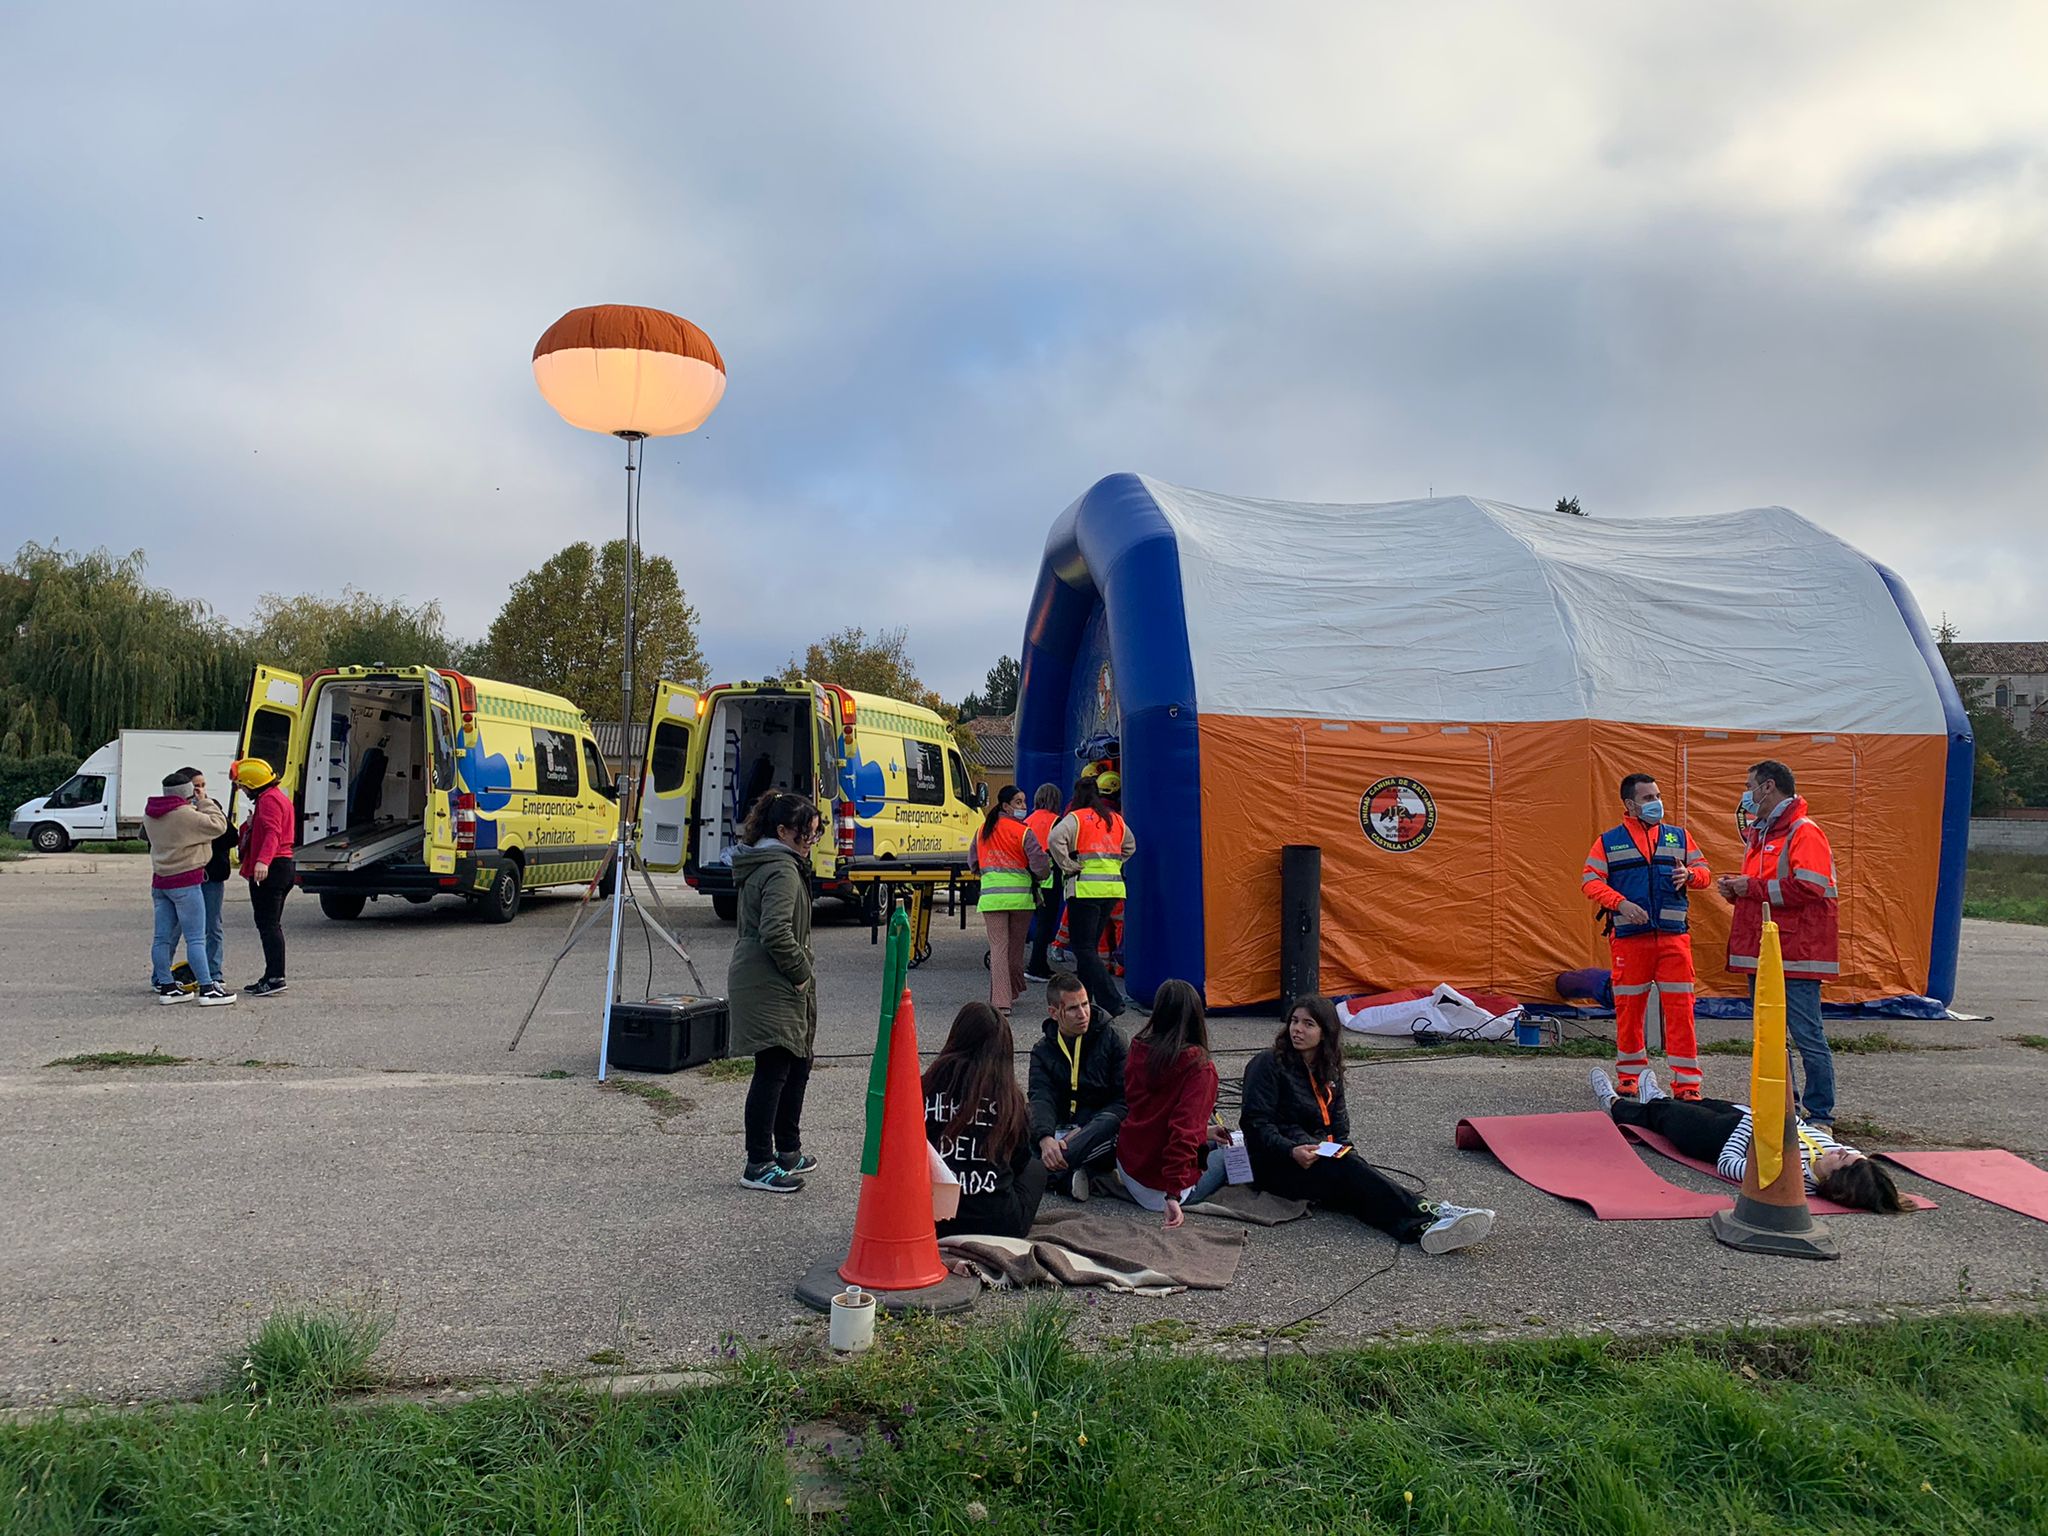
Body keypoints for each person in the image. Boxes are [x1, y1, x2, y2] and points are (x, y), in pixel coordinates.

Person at [1242, 996, 1496, 1253]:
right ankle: (1432, 1210)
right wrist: (1290, 1150)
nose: (1297, 1029)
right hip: (1276, 1162)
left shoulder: (1328, 1068)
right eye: (1294, 1021)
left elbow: (1339, 1126)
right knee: (1353, 1176)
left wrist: (1345, 1155)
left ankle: (1422, 1230)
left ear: (1325, 1033)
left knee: (1357, 1188)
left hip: (1317, 1155)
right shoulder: (1268, 1064)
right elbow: (1255, 1125)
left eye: (1308, 1024)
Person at [1589, 1066, 1908, 1211]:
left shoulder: (1792, 1178)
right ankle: (1656, 1098)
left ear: (1833, 1180)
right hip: (1748, 1120)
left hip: (1720, 1139)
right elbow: (1800, 1127)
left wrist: (1752, 1123)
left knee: (1667, 1119)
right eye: (1850, 1153)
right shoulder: (1830, 1153)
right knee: (1701, 1104)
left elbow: (1729, 1166)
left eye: (1842, 1158)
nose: (1841, 1149)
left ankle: (1617, 1106)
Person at [1716, 760, 1840, 1129]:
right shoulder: (1764, 834)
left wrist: (1748, 888)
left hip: (1797, 953)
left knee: (1806, 1036)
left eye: (1748, 785)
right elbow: (1767, 891)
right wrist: (1738, 891)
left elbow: (1810, 887)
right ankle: (1787, 1107)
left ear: (1768, 787)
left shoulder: (1803, 832)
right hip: (1766, 949)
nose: (1746, 794)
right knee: (1769, 1036)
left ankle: (1820, 1114)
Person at [1580, 772, 1711, 1099]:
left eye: (1657, 796)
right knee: (1629, 1009)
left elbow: (1706, 875)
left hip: (1673, 938)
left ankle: (1687, 1084)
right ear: (1630, 804)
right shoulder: (1608, 842)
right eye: (1648, 798)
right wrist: (1620, 904)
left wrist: (1690, 874)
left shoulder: (1680, 837)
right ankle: (1630, 1078)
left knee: (1681, 1010)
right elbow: (1590, 881)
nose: (1656, 803)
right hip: (1629, 939)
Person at [729, 791, 823, 1193]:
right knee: (774, 1068)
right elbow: (776, 932)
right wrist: (801, 973)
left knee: (797, 1062)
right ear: (782, 831)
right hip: (771, 979)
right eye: (805, 836)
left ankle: (787, 1148)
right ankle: (758, 1163)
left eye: (814, 836)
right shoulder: (781, 870)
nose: (809, 844)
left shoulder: (774, 862)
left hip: (769, 976)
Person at [924, 1002, 1046, 1238]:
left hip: (932, 1219)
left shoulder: (924, 1087)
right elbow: (1020, 1160)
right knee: (1036, 1168)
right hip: (997, 1225)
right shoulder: (1009, 1099)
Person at [1115, 979, 1228, 1226]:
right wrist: (1173, 1195)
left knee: (1213, 1140)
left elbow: (1153, 1114)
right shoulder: (1199, 1068)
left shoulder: (1138, 1047)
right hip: (1161, 1190)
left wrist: (1205, 1132)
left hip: (1129, 1166)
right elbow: (1184, 1132)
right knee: (1234, 1151)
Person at [1026, 971, 1129, 1200]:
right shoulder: (1043, 1050)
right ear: (1053, 1013)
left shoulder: (1113, 1039)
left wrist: (1081, 1132)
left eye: (1085, 1004)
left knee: (1112, 1124)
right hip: (1060, 1127)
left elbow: (1123, 1102)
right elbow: (1041, 1097)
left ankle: (1042, 1175)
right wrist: (1045, 1139)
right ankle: (1068, 1176)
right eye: (1073, 1008)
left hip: (1097, 1126)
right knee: (1021, 1119)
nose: (1083, 1014)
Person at [142, 769, 234, 1006]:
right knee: (195, 939)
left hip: (161, 880)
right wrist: (205, 802)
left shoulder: (151, 814)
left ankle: (167, 985)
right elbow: (219, 826)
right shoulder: (185, 814)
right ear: (186, 792)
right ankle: (207, 987)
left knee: (162, 937)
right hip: (186, 881)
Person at [1048, 777, 1134, 1017]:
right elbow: (1130, 846)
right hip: (1112, 891)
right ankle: (1087, 998)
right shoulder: (1113, 819)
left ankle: (1111, 1000)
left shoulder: (1076, 818)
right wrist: (1114, 864)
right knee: (1089, 949)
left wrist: (1068, 865)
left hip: (1085, 889)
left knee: (1082, 947)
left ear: (1076, 795)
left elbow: (1054, 839)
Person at [973, 783, 1050, 1015]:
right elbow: (1040, 866)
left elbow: (972, 862)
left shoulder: (982, 831)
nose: (1023, 806)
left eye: (1024, 802)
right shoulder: (1024, 832)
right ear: (1005, 806)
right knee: (1015, 950)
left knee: (998, 949)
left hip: (992, 900)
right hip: (1021, 901)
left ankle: (1002, 1001)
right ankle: (1009, 994)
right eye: (1018, 802)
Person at [233, 758, 296, 997]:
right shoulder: (276, 797)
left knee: (268, 925)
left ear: (252, 783)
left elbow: (273, 832)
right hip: (283, 865)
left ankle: (275, 977)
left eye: (243, 785)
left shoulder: (268, 800)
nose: (242, 790)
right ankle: (272, 975)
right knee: (271, 924)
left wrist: (263, 861)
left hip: (273, 867)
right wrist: (251, 825)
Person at [1022, 784, 1064, 982]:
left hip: (1029, 879)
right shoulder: (1056, 822)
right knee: (1045, 926)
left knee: (1037, 924)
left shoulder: (1027, 821)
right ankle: (1036, 965)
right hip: (1049, 880)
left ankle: (1038, 964)